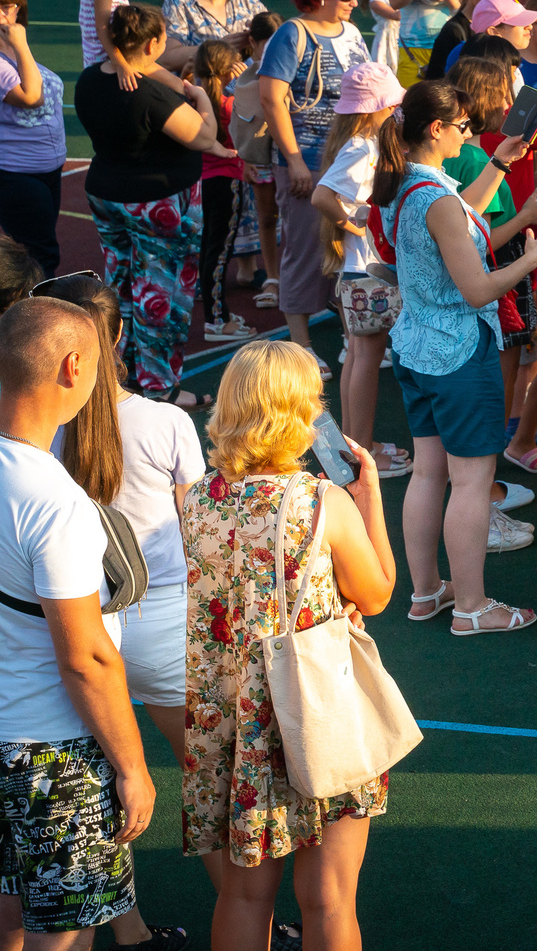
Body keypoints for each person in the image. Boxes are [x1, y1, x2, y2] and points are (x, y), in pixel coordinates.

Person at [179, 341, 396, 951]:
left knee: (244, 895)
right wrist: (370, 497)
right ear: (296, 413)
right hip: (315, 704)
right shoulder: (317, 500)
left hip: (234, 716)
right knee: (329, 899)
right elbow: (377, 593)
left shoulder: (197, 500)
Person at [37, 275, 194, 951]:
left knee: (90, 788)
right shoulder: (166, 422)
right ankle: (250, 920)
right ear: (119, 335)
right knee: (208, 784)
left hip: (71, 633)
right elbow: (202, 531)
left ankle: (128, 930)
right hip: (162, 628)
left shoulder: (38, 433)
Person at [0, 298, 155, 951]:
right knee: (65, 931)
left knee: (9, 906)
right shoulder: (55, 502)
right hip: (52, 749)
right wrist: (132, 765)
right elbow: (86, 658)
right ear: (72, 366)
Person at [372, 81, 537, 637]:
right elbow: (477, 288)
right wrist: (534, 256)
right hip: (458, 353)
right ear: (436, 130)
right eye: (462, 127)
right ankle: (473, 606)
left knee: (427, 474)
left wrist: (499, 165)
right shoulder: (437, 199)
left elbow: (460, 222)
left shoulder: (407, 185)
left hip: (417, 347)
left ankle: (426, 593)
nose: (468, 134)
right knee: (471, 482)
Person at [78, 5, 230, 403]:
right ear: (153, 43)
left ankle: (116, 378)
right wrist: (201, 97)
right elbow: (203, 136)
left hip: (107, 194)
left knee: (119, 287)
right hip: (156, 203)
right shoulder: (150, 95)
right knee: (161, 296)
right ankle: (160, 388)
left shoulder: (91, 79)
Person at [258, 0, 377, 362]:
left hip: (350, 159)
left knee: (349, 247)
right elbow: (271, 99)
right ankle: (301, 344)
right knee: (306, 248)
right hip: (308, 158)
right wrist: (292, 161)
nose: (353, 2)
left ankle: (351, 332)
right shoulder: (292, 34)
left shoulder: (351, 32)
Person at [309, 59, 410, 477]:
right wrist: (356, 223)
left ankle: (353, 445)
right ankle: (361, 452)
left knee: (359, 357)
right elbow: (321, 196)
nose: (398, 113)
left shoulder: (361, 144)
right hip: (368, 270)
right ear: (375, 111)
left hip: (358, 270)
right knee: (367, 358)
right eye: (393, 107)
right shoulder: (363, 148)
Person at [0, 0, 67, 275]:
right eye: (0, 6)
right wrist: (22, 45)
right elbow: (31, 97)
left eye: (11, 5)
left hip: (47, 170)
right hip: (16, 173)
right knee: (40, 257)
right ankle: (34, 320)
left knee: (37, 251)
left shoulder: (12, 50)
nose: (7, 13)